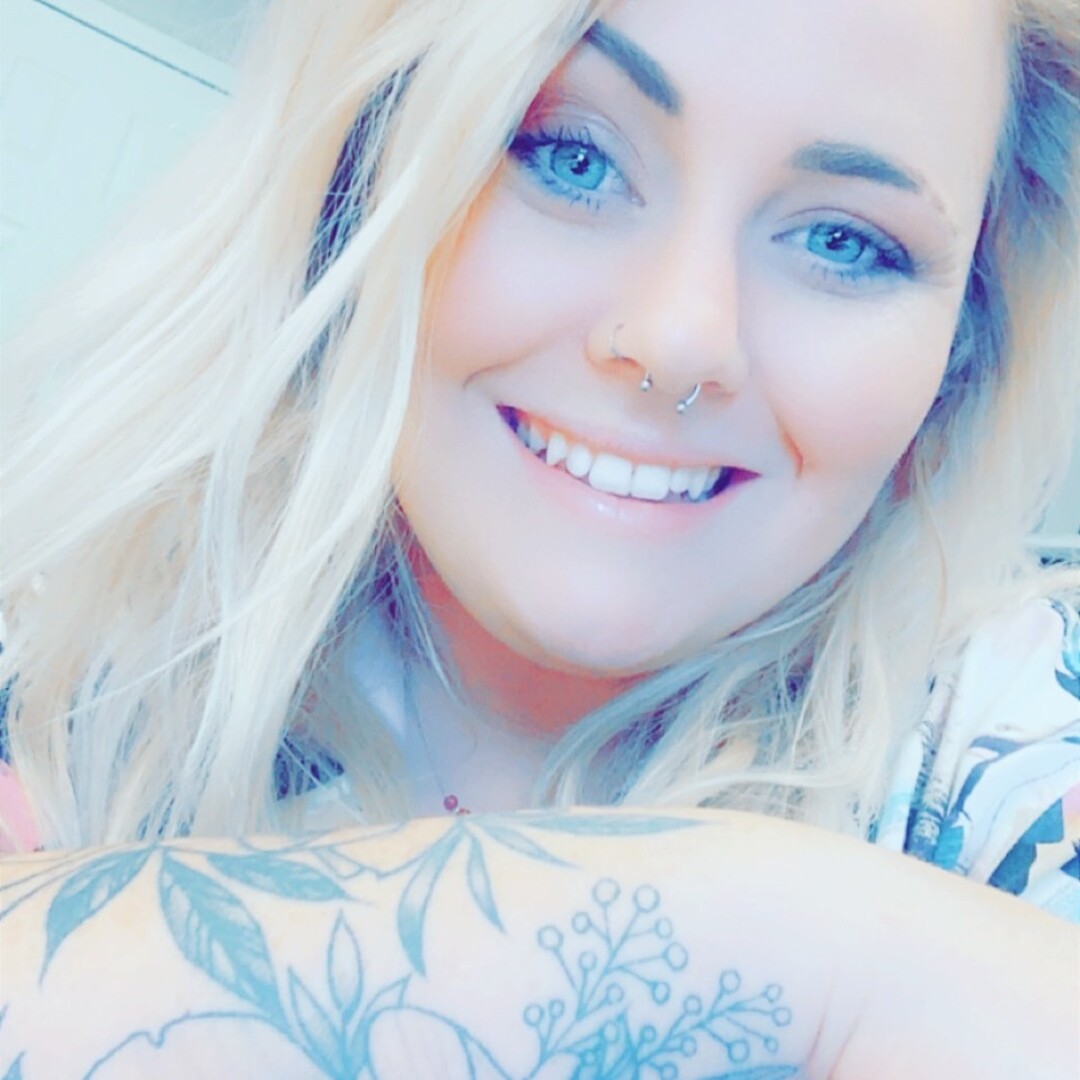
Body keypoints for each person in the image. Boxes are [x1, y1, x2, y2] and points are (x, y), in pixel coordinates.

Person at [1, 0, 1078, 1075]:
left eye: (844, 242)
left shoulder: (1012, 739)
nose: (679, 338)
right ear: (362, 165)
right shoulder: (61, 678)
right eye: (571, 156)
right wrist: (837, 959)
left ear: (967, 339)